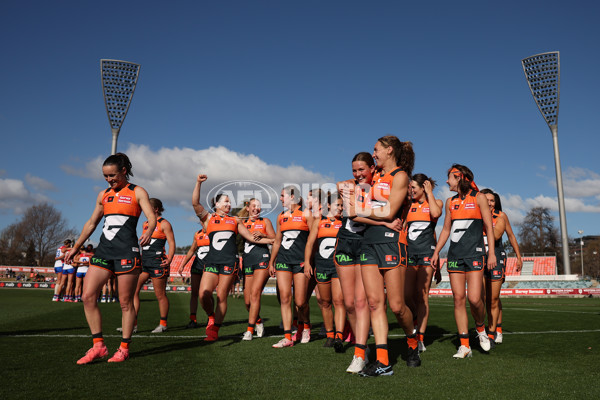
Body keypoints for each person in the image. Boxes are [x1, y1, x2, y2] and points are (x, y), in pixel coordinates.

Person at [65, 153, 156, 364]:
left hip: (127, 252)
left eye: (112, 175)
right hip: (104, 251)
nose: (109, 180)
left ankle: (124, 348)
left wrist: (150, 230)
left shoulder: (137, 191)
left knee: (125, 302)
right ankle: (99, 346)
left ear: (124, 171)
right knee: (87, 296)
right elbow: (91, 223)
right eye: (105, 176)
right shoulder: (103, 195)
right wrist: (76, 247)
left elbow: (151, 218)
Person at [351, 136, 421, 376]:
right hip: (369, 242)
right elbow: (352, 209)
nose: (373, 153)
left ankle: (412, 341)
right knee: (374, 303)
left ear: (389, 150)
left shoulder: (400, 176)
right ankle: (383, 362)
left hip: (393, 244)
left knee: (397, 306)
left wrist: (364, 209)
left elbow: (392, 210)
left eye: (376, 149)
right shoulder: (373, 175)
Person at [192, 174, 274, 342]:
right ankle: (211, 316)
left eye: (230, 202)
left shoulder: (235, 220)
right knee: (203, 294)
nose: (229, 204)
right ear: (216, 204)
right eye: (226, 201)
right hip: (212, 261)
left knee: (222, 295)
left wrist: (274, 240)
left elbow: (251, 238)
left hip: (230, 262)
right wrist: (198, 183)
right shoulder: (208, 219)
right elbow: (195, 203)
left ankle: (215, 330)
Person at [431, 164, 497, 359]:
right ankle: (464, 345)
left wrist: (491, 253)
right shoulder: (450, 202)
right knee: (458, 299)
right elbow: (445, 230)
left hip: (475, 254)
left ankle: (481, 329)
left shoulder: (479, 198)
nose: (446, 181)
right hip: (455, 256)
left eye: (450, 177)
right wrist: (436, 253)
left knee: (475, 298)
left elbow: (489, 227)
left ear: (459, 177)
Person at [334, 152, 375, 373]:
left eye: (362, 169)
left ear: (372, 167)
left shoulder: (378, 186)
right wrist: (353, 183)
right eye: (354, 170)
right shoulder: (350, 185)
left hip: (366, 243)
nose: (358, 174)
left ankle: (360, 352)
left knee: (361, 302)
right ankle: (363, 338)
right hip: (346, 242)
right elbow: (341, 184)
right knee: (349, 303)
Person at [269, 185, 316, 348]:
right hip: (283, 260)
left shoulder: (306, 214)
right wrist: (271, 261)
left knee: (301, 301)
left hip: (301, 262)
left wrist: (309, 261)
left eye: (283, 196)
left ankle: (306, 326)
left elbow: (312, 240)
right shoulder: (280, 216)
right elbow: (277, 241)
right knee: (284, 297)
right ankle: (288, 336)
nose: (281, 199)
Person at [404, 174, 443, 352]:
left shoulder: (436, 203)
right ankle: (414, 319)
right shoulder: (408, 206)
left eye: (414, 188)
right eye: (410, 187)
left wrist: (429, 193)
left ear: (423, 188)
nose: (411, 190)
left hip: (426, 254)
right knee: (406, 295)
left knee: (422, 296)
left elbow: (435, 214)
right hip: (409, 254)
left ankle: (420, 338)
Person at [480, 189, 522, 344]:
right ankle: (490, 328)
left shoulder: (501, 216)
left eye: (492, 201)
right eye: (487, 200)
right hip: (479, 256)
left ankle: (494, 331)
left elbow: (504, 235)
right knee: (484, 298)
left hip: (496, 256)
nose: (490, 203)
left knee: (494, 298)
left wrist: (518, 256)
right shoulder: (475, 215)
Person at [305, 192, 345, 349]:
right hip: (321, 265)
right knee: (325, 302)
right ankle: (329, 335)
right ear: (329, 205)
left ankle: (339, 336)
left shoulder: (345, 222)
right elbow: (310, 244)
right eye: (338, 205)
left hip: (339, 266)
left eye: (342, 206)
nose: (341, 208)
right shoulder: (319, 221)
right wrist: (308, 264)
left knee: (339, 301)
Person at [132, 198, 176, 333]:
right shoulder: (145, 224)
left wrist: (169, 259)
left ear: (156, 209)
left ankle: (163, 324)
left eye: (147, 207)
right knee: (133, 291)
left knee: (160, 294)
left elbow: (172, 243)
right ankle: (132, 324)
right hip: (145, 262)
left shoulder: (164, 224)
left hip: (158, 262)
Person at [238, 199, 276, 341]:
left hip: (263, 259)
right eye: (254, 206)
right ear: (248, 208)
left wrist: (264, 234)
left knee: (255, 294)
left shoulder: (265, 221)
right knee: (247, 301)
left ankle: (249, 330)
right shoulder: (241, 223)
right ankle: (258, 321)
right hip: (247, 261)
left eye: (259, 207)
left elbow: (276, 238)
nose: (257, 209)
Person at [178, 228, 212, 328]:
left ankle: (211, 318)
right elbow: (192, 250)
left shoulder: (214, 231)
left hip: (210, 265)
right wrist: (182, 265)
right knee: (194, 293)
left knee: (207, 294)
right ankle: (193, 320)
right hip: (197, 266)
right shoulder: (197, 234)